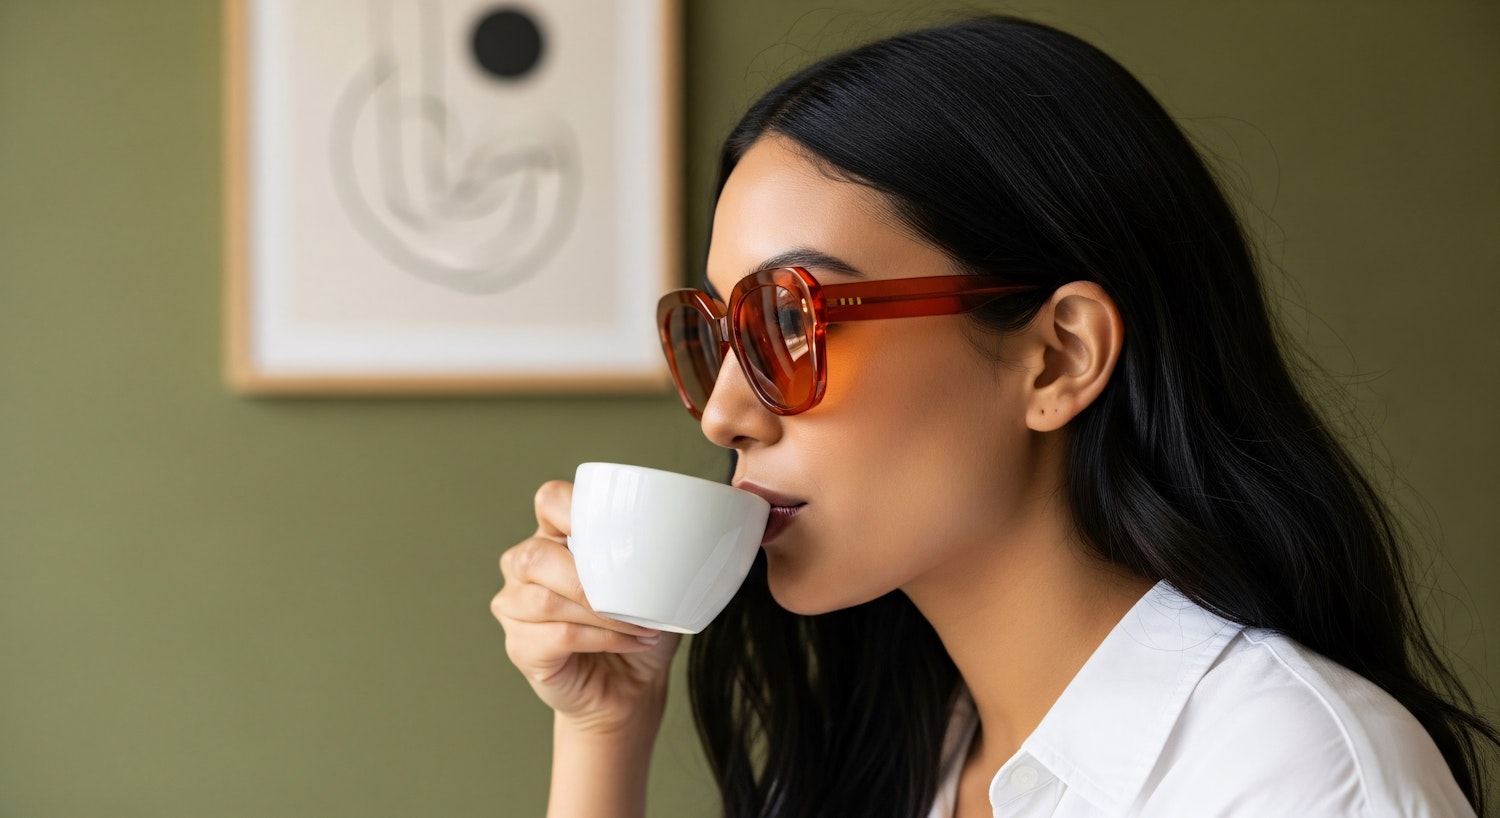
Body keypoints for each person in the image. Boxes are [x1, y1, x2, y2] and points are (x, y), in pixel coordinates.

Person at [492, 15, 1496, 817]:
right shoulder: (907, 756)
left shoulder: (1292, 777)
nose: (724, 413)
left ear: (1057, 355)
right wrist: (605, 732)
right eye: (719, 332)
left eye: (791, 323)